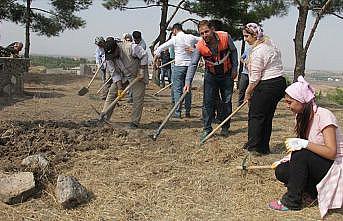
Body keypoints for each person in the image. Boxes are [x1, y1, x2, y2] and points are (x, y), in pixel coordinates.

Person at [269, 76, 343, 219]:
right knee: (282, 170)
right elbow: (303, 147)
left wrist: (305, 144)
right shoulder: (301, 117)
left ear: (302, 101)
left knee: (301, 154)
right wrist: (285, 159)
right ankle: (312, 192)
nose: (287, 105)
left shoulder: (324, 116)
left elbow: (332, 152)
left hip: (334, 166)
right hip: (318, 163)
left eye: (290, 102)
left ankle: (292, 201)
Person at [184, 20, 238, 139]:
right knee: (208, 103)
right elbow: (193, 64)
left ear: (212, 29)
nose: (204, 35)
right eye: (201, 33)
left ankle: (225, 127)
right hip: (211, 75)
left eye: (206, 32)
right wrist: (188, 82)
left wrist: (235, 68)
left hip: (227, 74)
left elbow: (234, 51)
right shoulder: (200, 46)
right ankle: (207, 128)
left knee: (226, 101)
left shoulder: (225, 37)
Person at [242, 23, 287, 155]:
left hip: (268, 84)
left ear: (255, 35)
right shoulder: (270, 44)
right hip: (279, 83)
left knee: (256, 115)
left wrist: (248, 93)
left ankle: (254, 148)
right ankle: (263, 147)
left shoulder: (258, 51)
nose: (245, 39)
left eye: (246, 36)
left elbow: (255, 78)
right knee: (266, 116)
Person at [154, 23, 200, 118]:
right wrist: (195, 50)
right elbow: (203, 40)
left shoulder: (175, 39)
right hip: (190, 66)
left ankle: (177, 112)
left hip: (179, 65)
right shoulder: (191, 37)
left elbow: (161, 48)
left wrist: (156, 57)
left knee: (177, 89)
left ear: (175, 30)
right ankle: (187, 111)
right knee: (187, 89)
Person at [101, 36, 148, 128]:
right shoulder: (109, 57)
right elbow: (114, 74)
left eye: (114, 54)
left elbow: (144, 55)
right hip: (123, 76)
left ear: (117, 48)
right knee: (111, 93)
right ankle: (104, 116)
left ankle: (134, 122)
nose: (113, 57)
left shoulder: (131, 47)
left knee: (137, 98)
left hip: (137, 75)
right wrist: (119, 88)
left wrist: (141, 70)